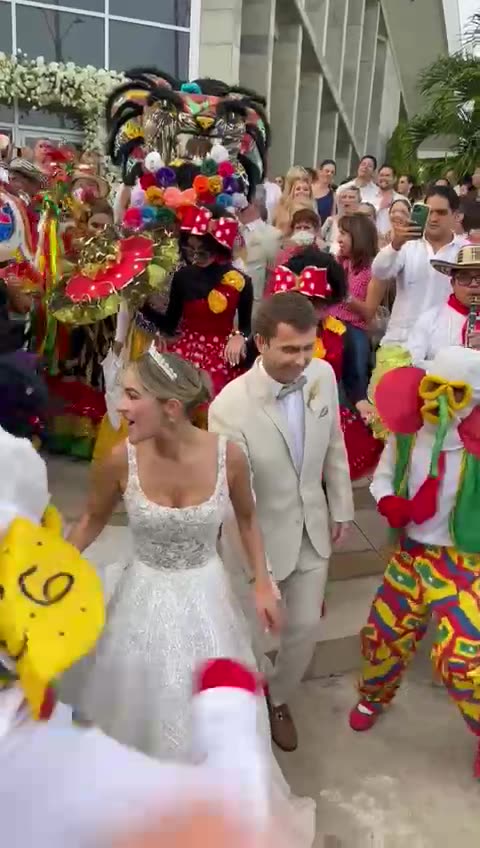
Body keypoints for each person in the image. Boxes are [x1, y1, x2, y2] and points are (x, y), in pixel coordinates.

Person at [65, 347, 315, 840]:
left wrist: (262, 583)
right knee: (137, 705)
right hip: (140, 600)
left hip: (207, 599)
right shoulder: (119, 460)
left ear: (171, 407)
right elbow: (91, 519)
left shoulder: (228, 456)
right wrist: (51, 570)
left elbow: (247, 520)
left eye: (132, 395)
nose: (120, 406)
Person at [209, 292, 354, 752]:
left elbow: (334, 442)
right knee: (250, 635)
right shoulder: (229, 407)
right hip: (258, 539)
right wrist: (260, 576)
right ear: (261, 343)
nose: (301, 360)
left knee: (306, 628)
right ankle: (249, 698)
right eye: (290, 349)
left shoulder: (322, 376)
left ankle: (279, 697)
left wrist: (342, 506)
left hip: (313, 528)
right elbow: (237, 501)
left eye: (308, 348)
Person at [348, 346, 480, 780]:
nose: (441, 402)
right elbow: (384, 475)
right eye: (433, 388)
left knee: (463, 659)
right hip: (410, 555)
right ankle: (374, 695)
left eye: (455, 393)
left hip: (463, 563)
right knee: (382, 635)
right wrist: (388, 501)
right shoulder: (407, 432)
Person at [142, 205, 253, 398]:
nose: (195, 257)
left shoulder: (241, 281)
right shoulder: (182, 277)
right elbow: (170, 324)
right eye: (190, 250)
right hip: (185, 351)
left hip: (222, 355)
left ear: (219, 248)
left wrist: (239, 336)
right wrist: (143, 307)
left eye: (202, 252)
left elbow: (246, 326)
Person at [368, 185, 468, 385]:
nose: (433, 218)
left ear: (456, 216)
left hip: (443, 351)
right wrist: (395, 244)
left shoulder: (465, 252)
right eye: (429, 212)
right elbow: (379, 271)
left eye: (441, 212)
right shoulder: (406, 245)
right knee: (386, 404)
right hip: (399, 345)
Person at [329, 213, 378, 404]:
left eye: (344, 234)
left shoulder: (373, 270)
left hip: (354, 330)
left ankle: (357, 413)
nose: (339, 239)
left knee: (356, 379)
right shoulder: (339, 262)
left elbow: (368, 313)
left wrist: (345, 295)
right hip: (331, 325)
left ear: (358, 236)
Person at [407, 245, 480, 365]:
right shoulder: (430, 319)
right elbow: (413, 362)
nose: (473, 284)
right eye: (464, 278)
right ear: (452, 283)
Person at [238, 189, 281, 303]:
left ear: (255, 203)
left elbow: (272, 277)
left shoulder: (273, 235)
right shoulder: (228, 230)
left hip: (256, 304)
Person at [272, 167, 314, 234]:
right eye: (298, 189)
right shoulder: (282, 211)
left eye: (305, 189)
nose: (302, 191)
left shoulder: (313, 207)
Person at [321, 184, 360, 255]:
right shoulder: (330, 221)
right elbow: (318, 239)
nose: (347, 200)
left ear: (359, 201)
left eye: (351, 197)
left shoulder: (362, 222)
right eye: (344, 197)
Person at [374, 164, 403, 240]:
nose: (384, 178)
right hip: (370, 241)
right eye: (381, 175)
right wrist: (380, 207)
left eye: (387, 175)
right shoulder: (368, 197)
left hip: (392, 242)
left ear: (394, 179)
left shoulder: (401, 200)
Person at [312, 159, 336, 224]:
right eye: (327, 171)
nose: (329, 174)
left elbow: (332, 216)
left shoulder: (333, 195)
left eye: (332, 172)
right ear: (320, 171)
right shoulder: (308, 188)